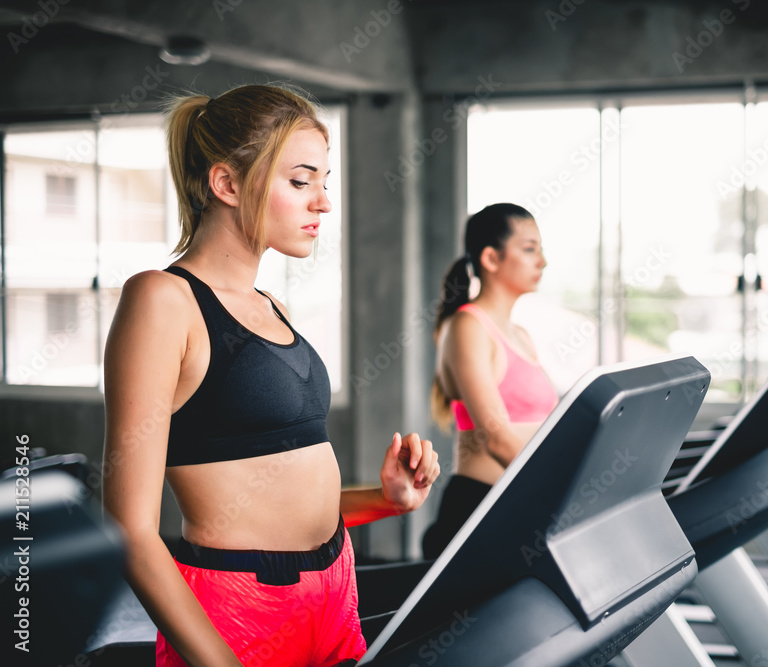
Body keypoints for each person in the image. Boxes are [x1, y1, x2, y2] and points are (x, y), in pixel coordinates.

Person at [102, 84, 440, 667]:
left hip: (333, 595)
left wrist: (385, 500)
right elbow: (130, 531)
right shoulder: (162, 300)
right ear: (227, 184)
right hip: (236, 611)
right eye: (301, 180)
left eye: (324, 182)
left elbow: (275, 494)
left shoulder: (270, 305)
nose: (323, 203)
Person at [421, 203, 558, 559]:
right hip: (480, 509)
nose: (541, 261)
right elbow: (497, 439)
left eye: (540, 250)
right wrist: (561, 489)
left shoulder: (522, 335)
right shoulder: (469, 327)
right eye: (529, 249)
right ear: (491, 259)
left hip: (521, 506)